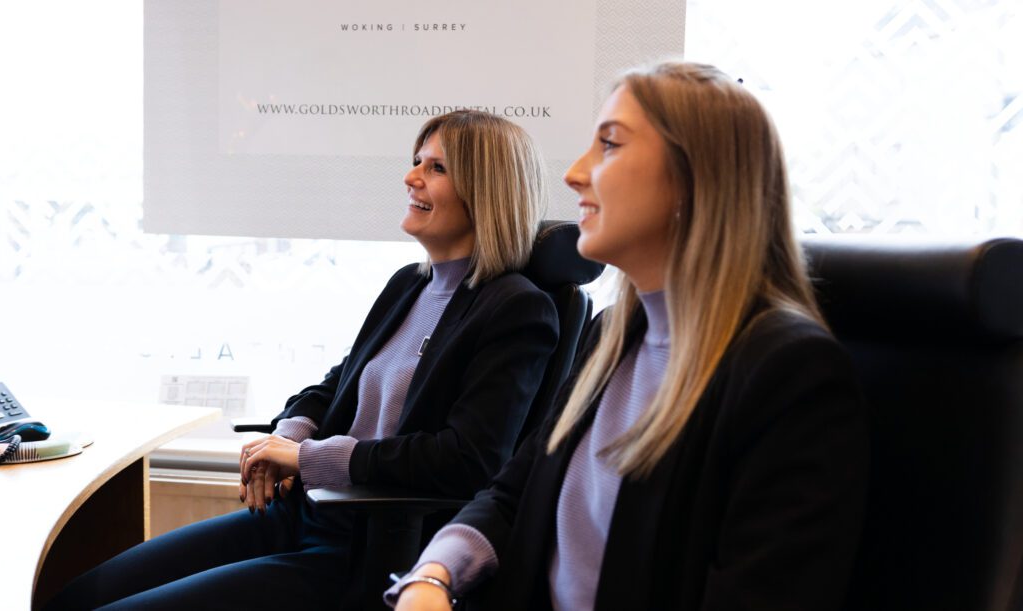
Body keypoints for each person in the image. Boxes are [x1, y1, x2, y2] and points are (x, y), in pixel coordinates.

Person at [389, 61, 869, 611]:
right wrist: (433, 574)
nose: (574, 173)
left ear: (697, 178)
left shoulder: (789, 374)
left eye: (610, 146)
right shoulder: (613, 337)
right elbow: (511, 494)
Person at [45, 110, 559, 610]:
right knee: (75, 597)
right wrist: (287, 438)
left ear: (485, 190)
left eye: (435, 168)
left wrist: (310, 459)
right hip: (303, 512)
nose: (410, 177)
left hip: (364, 547)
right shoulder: (410, 284)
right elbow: (337, 385)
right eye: (417, 161)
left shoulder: (516, 308)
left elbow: (467, 460)